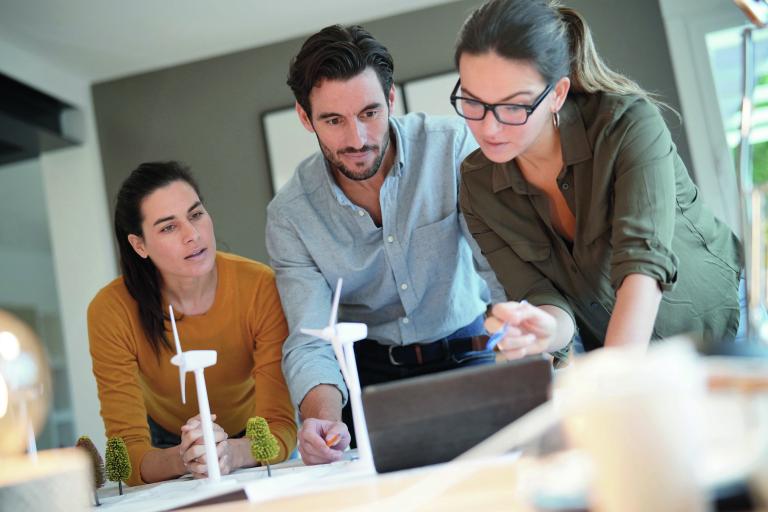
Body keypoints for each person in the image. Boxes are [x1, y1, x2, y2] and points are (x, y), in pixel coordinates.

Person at [266, 24, 510, 465]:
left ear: (391, 99)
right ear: (305, 118)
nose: (357, 139)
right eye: (333, 120)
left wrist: (531, 354)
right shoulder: (290, 216)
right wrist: (322, 419)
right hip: (370, 380)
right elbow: (311, 339)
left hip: (469, 351)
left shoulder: (452, 148)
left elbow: (500, 271)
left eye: (370, 113)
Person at [451, 0, 743, 358]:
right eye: (472, 102)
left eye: (513, 106)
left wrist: (613, 378)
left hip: (722, 326)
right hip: (624, 352)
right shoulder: (478, 185)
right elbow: (540, 295)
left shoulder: (626, 124)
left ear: (557, 94)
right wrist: (544, 329)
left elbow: (642, 265)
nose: (488, 128)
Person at [88, 161, 296, 486]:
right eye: (168, 227)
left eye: (196, 214)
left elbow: (280, 427)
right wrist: (186, 457)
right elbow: (129, 455)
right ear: (139, 245)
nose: (193, 235)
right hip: (164, 446)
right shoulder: (111, 311)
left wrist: (231, 452)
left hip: (250, 437)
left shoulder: (259, 287)